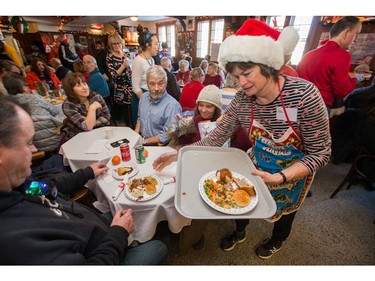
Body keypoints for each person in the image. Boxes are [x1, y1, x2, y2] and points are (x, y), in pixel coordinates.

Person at [153, 18, 331, 259]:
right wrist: (179, 153)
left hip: (293, 174)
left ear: (269, 65)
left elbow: (320, 153)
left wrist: (281, 176)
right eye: (236, 76)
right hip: (256, 164)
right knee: (243, 201)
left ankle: (277, 240)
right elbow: (215, 137)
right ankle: (240, 232)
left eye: (247, 74)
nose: (242, 83)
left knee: (285, 213)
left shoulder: (305, 96)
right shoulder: (242, 101)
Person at [0, 95, 167, 264]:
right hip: (104, 253)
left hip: (92, 229)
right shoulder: (14, 240)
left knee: (123, 210)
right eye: (28, 143)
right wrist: (119, 233)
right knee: (159, 247)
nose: (35, 149)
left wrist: (88, 172)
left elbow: (51, 187)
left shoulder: (20, 186)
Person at [296, 16, 363, 114]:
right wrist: (355, 80)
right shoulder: (342, 55)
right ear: (346, 33)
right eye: (356, 34)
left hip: (297, 103)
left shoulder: (310, 54)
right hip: (318, 106)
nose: (355, 40)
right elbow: (342, 91)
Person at [3, 75, 63, 153]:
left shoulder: (7, 106)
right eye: (27, 85)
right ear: (24, 88)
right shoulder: (35, 98)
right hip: (54, 141)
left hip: (31, 147)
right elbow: (55, 111)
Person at [135, 65, 181, 146]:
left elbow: (168, 135)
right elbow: (139, 118)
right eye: (152, 84)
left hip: (159, 146)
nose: (156, 88)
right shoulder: (143, 98)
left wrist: (144, 142)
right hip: (142, 140)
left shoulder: (173, 106)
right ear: (147, 84)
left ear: (166, 83)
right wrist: (135, 136)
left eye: (160, 83)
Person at [61, 72, 110, 141]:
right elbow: (88, 127)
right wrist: (92, 108)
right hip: (78, 138)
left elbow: (107, 117)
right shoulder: (68, 105)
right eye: (78, 86)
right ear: (71, 90)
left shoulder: (95, 96)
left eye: (84, 83)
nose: (84, 87)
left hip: (98, 133)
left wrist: (89, 121)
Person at [131, 25, 159, 128]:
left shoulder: (152, 60)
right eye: (156, 44)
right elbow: (135, 87)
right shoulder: (138, 61)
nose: (158, 46)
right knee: (142, 127)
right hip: (141, 98)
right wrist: (146, 101)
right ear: (148, 45)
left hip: (151, 96)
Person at [106, 33, 133, 128]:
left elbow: (132, 69)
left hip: (131, 86)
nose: (117, 45)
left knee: (134, 111)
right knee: (126, 115)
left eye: (118, 43)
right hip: (121, 90)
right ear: (111, 45)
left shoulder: (127, 54)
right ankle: (130, 131)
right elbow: (113, 76)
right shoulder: (110, 57)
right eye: (114, 44)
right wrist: (123, 66)